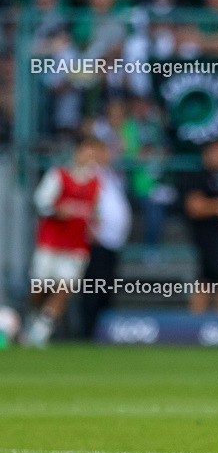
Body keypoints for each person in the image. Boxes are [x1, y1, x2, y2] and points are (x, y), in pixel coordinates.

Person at [22, 137, 102, 347]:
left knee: (64, 288)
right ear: (77, 152)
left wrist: (94, 224)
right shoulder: (59, 175)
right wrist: (57, 211)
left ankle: (40, 332)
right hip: (51, 242)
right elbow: (40, 202)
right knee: (40, 287)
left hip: (76, 246)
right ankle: (30, 318)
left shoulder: (96, 183)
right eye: (87, 151)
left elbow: (95, 212)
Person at [179, 138, 218, 314]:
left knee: (205, 283)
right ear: (208, 153)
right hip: (206, 237)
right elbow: (194, 206)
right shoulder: (199, 176)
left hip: (215, 237)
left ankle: (194, 329)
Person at [80, 139, 131, 338]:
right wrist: (91, 229)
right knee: (94, 289)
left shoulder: (109, 174)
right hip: (96, 241)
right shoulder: (89, 174)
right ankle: (87, 333)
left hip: (111, 242)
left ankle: (101, 331)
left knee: (105, 288)